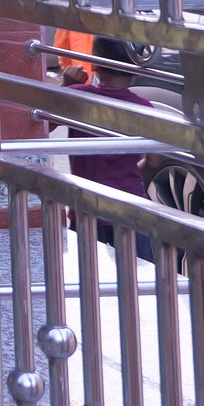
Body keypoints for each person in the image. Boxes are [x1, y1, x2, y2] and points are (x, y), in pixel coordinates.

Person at [67, 36, 161, 262]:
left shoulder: (78, 96)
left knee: (87, 273)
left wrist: (65, 86)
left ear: (94, 64)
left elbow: (40, 126)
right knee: (139, 274)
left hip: (87, 208)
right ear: (136, 70)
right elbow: (154, 161)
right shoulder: (144, 108)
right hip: (130, 209)